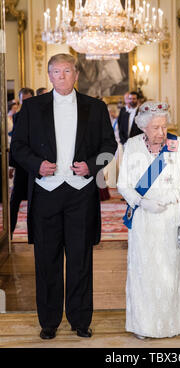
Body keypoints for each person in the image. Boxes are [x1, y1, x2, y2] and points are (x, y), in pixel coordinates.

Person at [11, 53, 117, 340]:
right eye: (56, 72)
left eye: (67, 71)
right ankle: (49, 321)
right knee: (47, 259)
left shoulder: (95, 108)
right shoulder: (31, 108)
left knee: (81, 259)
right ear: (49, 75)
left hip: (80, 194)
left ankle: (81, 319)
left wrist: (92, 165)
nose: (61, 76)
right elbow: (17, 148)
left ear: (76, 74)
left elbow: (110, 146)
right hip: (46, 193)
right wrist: (37, 165)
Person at [117, 101, 180, 339]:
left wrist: (173, 197)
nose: (161, 133)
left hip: (170, 217)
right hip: (144, 219)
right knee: (146, 271)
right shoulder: (132, 146)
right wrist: (143, 202)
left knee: (171, 270)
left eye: (164, 126)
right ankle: (144, 324)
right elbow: (122, 184)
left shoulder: (176, 144)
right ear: (144, 128)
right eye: (155, 128)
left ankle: (172, 323)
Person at [9, 88, 35, 239]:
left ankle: (34, 234)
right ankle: (10, 233)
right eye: (23, 101)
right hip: (21, 166)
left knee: (34, 203)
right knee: (14, 201)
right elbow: (15, 143)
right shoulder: (17, 117)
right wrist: (12, 165)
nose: (25, 104)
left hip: (36, 166)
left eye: (28, 101)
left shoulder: (40, 116)